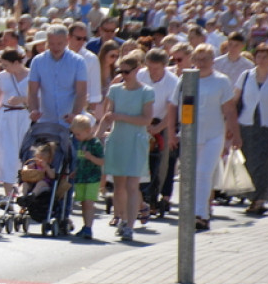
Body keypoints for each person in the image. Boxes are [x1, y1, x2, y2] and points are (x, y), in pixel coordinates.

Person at [179, 44, 240, 231]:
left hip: (214, 135)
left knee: (204, 172)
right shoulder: (187, 79)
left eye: (206, 59)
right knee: (191, 175)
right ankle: (195, 210)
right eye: (198, 59)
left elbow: (229, 109)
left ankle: (201, 214)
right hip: (191, 134)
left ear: (213, 60)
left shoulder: (221, 81)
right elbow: (175, 104)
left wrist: (235, 134)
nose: (202, 63)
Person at [101, 52, 154, 241]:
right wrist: (98, 134)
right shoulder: (115, 89)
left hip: (136, 140)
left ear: (137, 70)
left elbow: (146, 119)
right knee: (119, 186)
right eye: (120, 71)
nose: (123, 74)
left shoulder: (146, 91)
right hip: (118, 139)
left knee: (133, 185)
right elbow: (108, 113)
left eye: (127, 71)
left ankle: (130, 225)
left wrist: (121, 117)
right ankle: (122, 218)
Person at [138, 48, 179, 217]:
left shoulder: (173, 82)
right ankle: (140, 196)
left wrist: (158, 128)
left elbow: (172, 110)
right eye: (149, 67)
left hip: (162, 122)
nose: (152, 71)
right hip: (141, 121)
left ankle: (156, 195)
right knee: (139, 161)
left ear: (164, 66)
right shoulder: (140, 75)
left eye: (156, 68)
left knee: (162, 163)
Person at [235, 43, 268, 215]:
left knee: (265, 163)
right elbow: (236, 99)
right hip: (247, 124)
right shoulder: (245, 76)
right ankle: (252, 197)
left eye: (265, 57)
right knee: (249, 160)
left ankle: (260, 199)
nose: (261, 60)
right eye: (258, 56)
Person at [0, 48, 31, 201]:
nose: (3, 68)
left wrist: (22, 99)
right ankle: (8, 195)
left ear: (16, 62)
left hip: (23, 117)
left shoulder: (32, 75)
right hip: (5, 117)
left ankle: (23, 191)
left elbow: (38, 98)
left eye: (6, 64)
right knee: (6, 154)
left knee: (23, 154)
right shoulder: (2, 77)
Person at [28, 24, 88, 128]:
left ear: (67, 40)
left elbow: (81, 92)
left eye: (59, 43)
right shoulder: (38, 61)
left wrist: (74, 115)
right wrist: (34, 110)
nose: (55, 47)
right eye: (51, 44)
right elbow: (32, 91)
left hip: (70, 122)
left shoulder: (78, 62)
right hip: (45, 121)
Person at [70, 115, 105, 239]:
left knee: (89, 203)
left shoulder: (95, 143)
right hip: (81, 177)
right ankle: (85, 227)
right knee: (84, 203)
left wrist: (91, 157)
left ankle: (89, 228)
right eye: (75, 134)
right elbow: (80, 160)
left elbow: (102, 161)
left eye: (78, 134)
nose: (76, 137)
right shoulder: (81, 143)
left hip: (92, 178)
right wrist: (75, 171)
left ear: (88, 131)